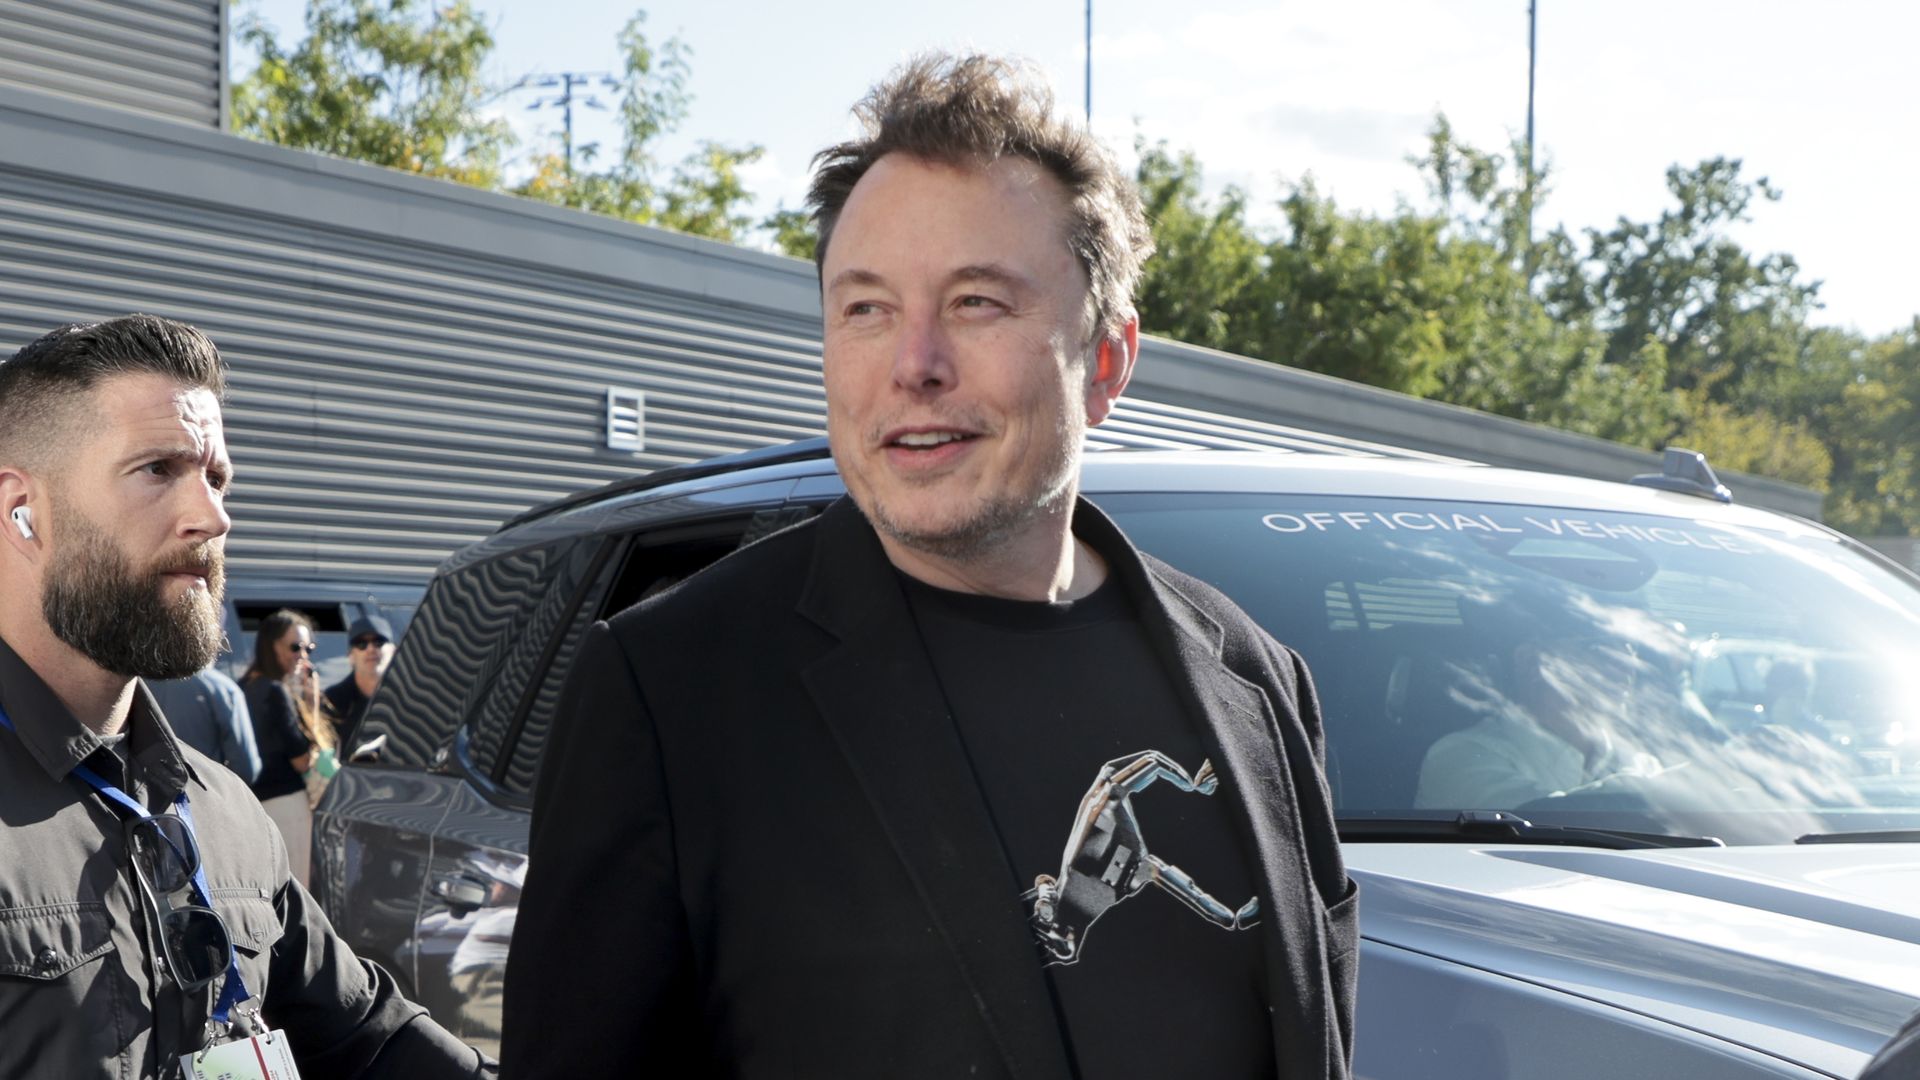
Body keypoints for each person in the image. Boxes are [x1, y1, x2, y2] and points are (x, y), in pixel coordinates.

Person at [504, 54, 1357, 1080]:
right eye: (865, 309)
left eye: (976, 303)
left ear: (1106, 362)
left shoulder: (1258, 682)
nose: (914, 364)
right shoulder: (670, 696)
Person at [0, 314, 491, 1078]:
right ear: (19, 510)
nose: (214, 516)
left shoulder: (221, 811)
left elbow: (369, 1040)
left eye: (217, 477)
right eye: (158, 469)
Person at [1414, 638, 1662, 809]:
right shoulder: (1460, 756)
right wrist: (1673, 793)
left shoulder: (1638, 761)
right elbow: (1547, 819)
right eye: (1597, 648)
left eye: (1631, 648)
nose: (1626, 665)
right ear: (1530, 659)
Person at [240, 607, 335, 882]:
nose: (303, 656)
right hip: (286, 806)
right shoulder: (274, 691)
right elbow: (302, 760)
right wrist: (311, 707)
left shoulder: (243, 687)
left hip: (252, 805)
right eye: (295, 647)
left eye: (309, 648)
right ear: (271, 646)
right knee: (296, 888)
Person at [147, 663, 261, 784]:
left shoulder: (142, 686)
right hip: (210, 790)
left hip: (159, 792)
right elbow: (245, 768)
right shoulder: (222, 688)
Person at [325, 612, 394, 754]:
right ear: (351, 656)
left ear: (393, 651)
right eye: (361, 644)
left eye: (379, 642)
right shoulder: (331, 702)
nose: (371, 649)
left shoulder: (411, 697)